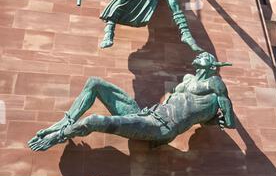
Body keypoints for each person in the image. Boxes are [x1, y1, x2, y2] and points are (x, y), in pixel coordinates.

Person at [28, 52, 235, 152]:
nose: (199, 56)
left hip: (160, 127)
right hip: (146, 114)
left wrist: (227, 120)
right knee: (95, 83)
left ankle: (57, 136)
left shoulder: (214, 84)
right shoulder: (188, 80)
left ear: (211, 64)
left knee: (94, 121)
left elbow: (224, 108)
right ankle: (65, 122)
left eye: (204, 56)